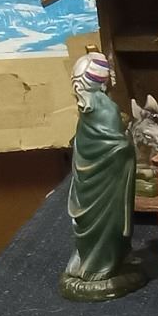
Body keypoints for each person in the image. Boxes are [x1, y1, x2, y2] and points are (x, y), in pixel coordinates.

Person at [61, 51, 146, 301]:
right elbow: (115, 147)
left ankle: (94, 261)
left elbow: (85, 145)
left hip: (89, 183)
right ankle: (99, 268)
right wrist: (128, 143)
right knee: (108, 223)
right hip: (106, 185)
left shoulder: (87, 109)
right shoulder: (105, 108)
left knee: (92, 224)